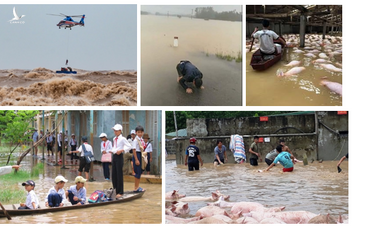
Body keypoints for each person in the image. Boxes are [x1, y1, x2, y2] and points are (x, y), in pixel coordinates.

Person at [110, 124, 132, 198]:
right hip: (114, 156)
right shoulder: (114, 139)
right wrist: (112, 151)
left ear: (120, 131)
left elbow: (129, 146)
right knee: (113, 174)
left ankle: (120, 191)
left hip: (120, 156)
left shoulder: (122, 139)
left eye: (116, 131)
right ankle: (115, 189)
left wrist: (122, 150)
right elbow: (114, 147)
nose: (115, 132)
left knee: (119, 174)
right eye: (114, 131)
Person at [132, 126, 146, 192]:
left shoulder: (141, 139)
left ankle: (137, 186)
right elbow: (134, 150)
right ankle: (136, 187)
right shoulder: (135, 140)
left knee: (139, 172)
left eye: (141, 132)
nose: (140, 133)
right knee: (137, 172)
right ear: (136, 132)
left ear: (143, 132)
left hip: (140, 155)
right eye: (138, 132)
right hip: (137, 155)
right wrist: (136, 159)